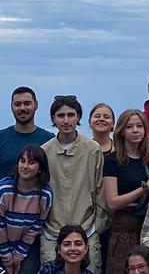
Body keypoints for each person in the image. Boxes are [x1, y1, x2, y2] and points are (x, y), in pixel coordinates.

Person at [39, 95, 104, 265]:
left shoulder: (92, 150)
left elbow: (100, 191)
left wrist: (98, 226)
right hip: (52, 232)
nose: (66, 120)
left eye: (71, 115)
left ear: (79, 117)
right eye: (61, 116)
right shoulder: (45, 151)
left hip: (86, 230)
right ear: (53, 119)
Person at [102, 108, 149, 274]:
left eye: (139, 126)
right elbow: (112, 202)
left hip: (147, 227)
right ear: (121, 131)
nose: (135, 131)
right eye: (129, 127)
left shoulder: (148, 160)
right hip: (123, 229)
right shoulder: (113, 160)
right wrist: (144, 188)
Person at [0, 145, 53, 274]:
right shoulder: (3, 188)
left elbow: (36, 228)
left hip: (27, 246)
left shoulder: (45, 194)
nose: (25, 166)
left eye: (31, 163)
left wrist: (18, 257)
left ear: (40, 168)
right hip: (0, 244)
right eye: (22, 161)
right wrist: (7, 259)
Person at [0, 86, 55, 180]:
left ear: (36, 105)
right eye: (17, 104)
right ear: (11, 107)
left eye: (27, 103)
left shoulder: (49, 139)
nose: (22, 108)